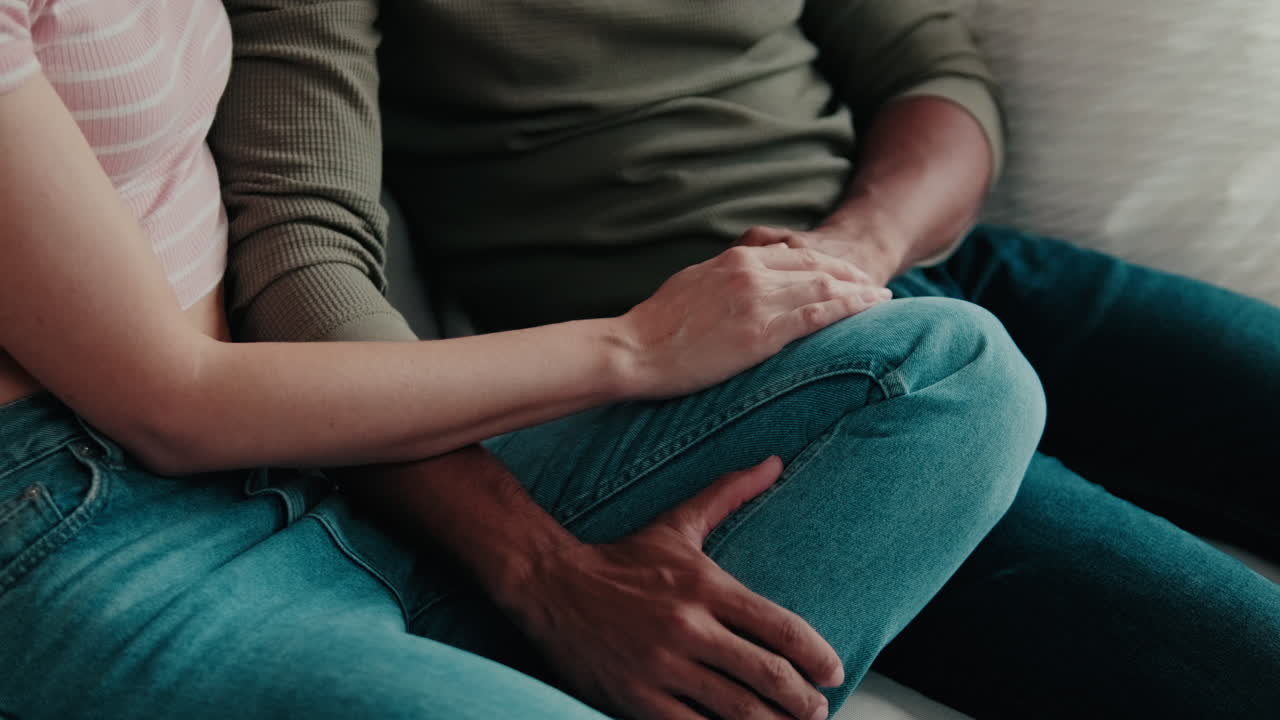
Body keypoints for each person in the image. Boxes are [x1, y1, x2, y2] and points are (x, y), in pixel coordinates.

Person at [207, 1, 1280, 719]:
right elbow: (300, 269)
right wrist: (539, 569)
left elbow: (931, 68)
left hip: (917, 256)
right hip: (721, 387)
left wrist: (854, 247)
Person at [0, 2, 1048, 720]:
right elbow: (169, 404)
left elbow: (924, 57)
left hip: (298, 455)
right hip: (85, 514)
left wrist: (559, 569)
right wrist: (636, 349)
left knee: (946, 369)